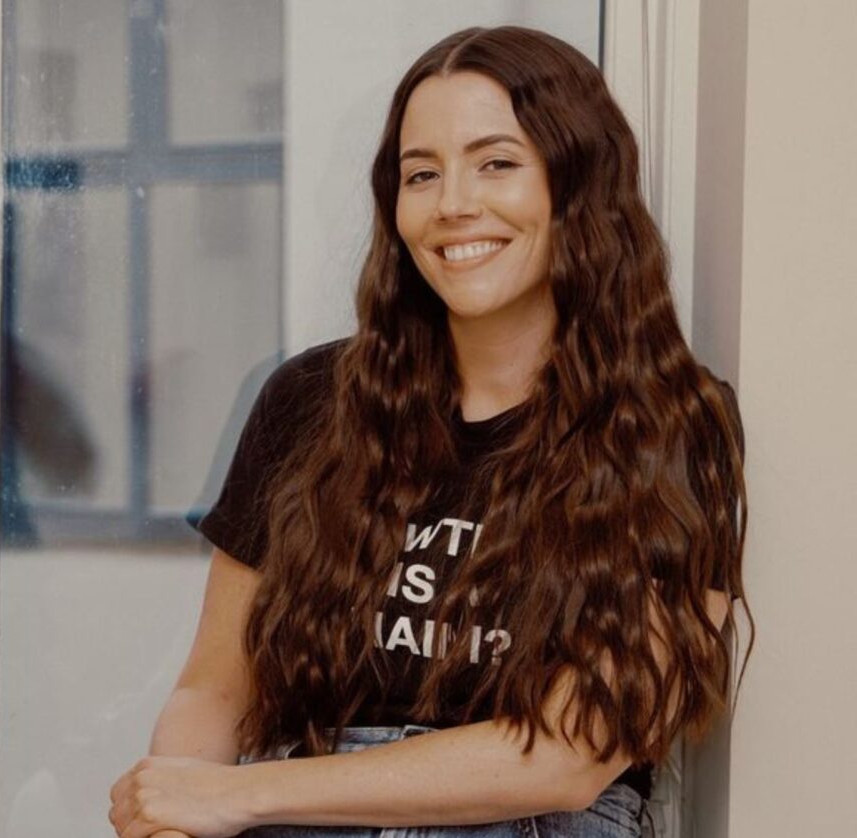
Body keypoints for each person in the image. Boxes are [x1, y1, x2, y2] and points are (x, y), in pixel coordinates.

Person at [109, 26, 747, 838]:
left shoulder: (674, 423)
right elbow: (214, 691)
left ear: (578, 182)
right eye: (421, 174)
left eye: (497, 163)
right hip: (297, 816)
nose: (452, 204)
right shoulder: (307, 399)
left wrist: (241, 796)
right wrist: (177, 811)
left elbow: (570, 756)